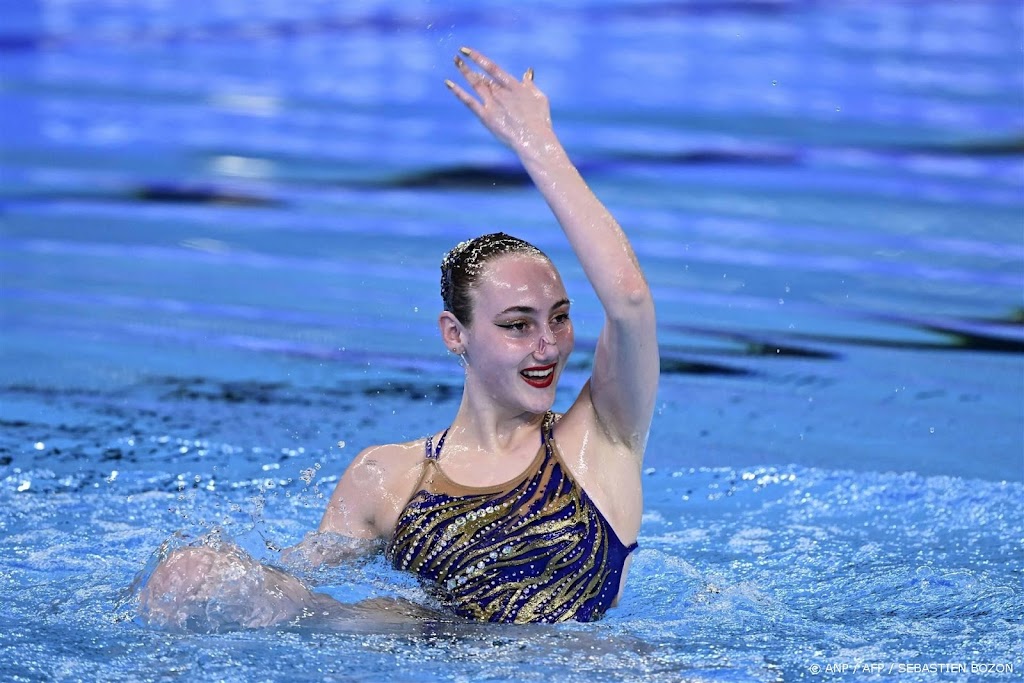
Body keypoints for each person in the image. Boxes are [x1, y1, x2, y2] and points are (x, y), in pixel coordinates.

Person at [137, 47, 658, 629]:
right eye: (517, 325)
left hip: (582, 666)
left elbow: (630, 299)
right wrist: (225, 578)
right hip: (433, 652)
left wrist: (538, 145)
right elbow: (301, 580)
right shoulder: (386, 477)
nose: (549, 345)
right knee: (388, 618)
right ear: (454, 335)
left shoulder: (602, 440)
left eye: (559, 318)